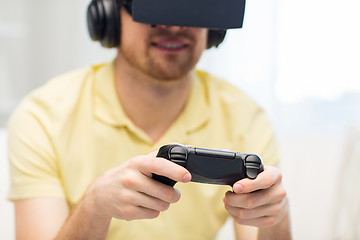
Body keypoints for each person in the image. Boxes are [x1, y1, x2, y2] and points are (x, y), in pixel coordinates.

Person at [7, 1, 291, 239]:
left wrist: (274, 215)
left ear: (214, 29)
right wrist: (94, 207)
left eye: (191, 10)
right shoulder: (44, 116)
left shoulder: (245, 117)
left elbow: (260, 223)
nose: (175, 27)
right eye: (157, 8)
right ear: (109, 17)